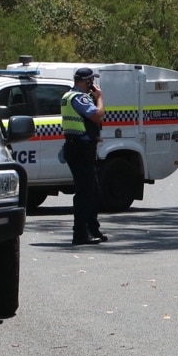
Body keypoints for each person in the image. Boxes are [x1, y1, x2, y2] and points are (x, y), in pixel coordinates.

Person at [61, 67, 106, 246]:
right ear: (87, 81)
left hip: (77, 147)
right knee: (85, 193)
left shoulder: (68, 96)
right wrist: (100, 98)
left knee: (92, 190)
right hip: (80, 149)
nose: (92, 85)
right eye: (91, 81)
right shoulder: (79, 98)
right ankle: (80, 233)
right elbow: (97, 116)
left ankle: (92, 229)